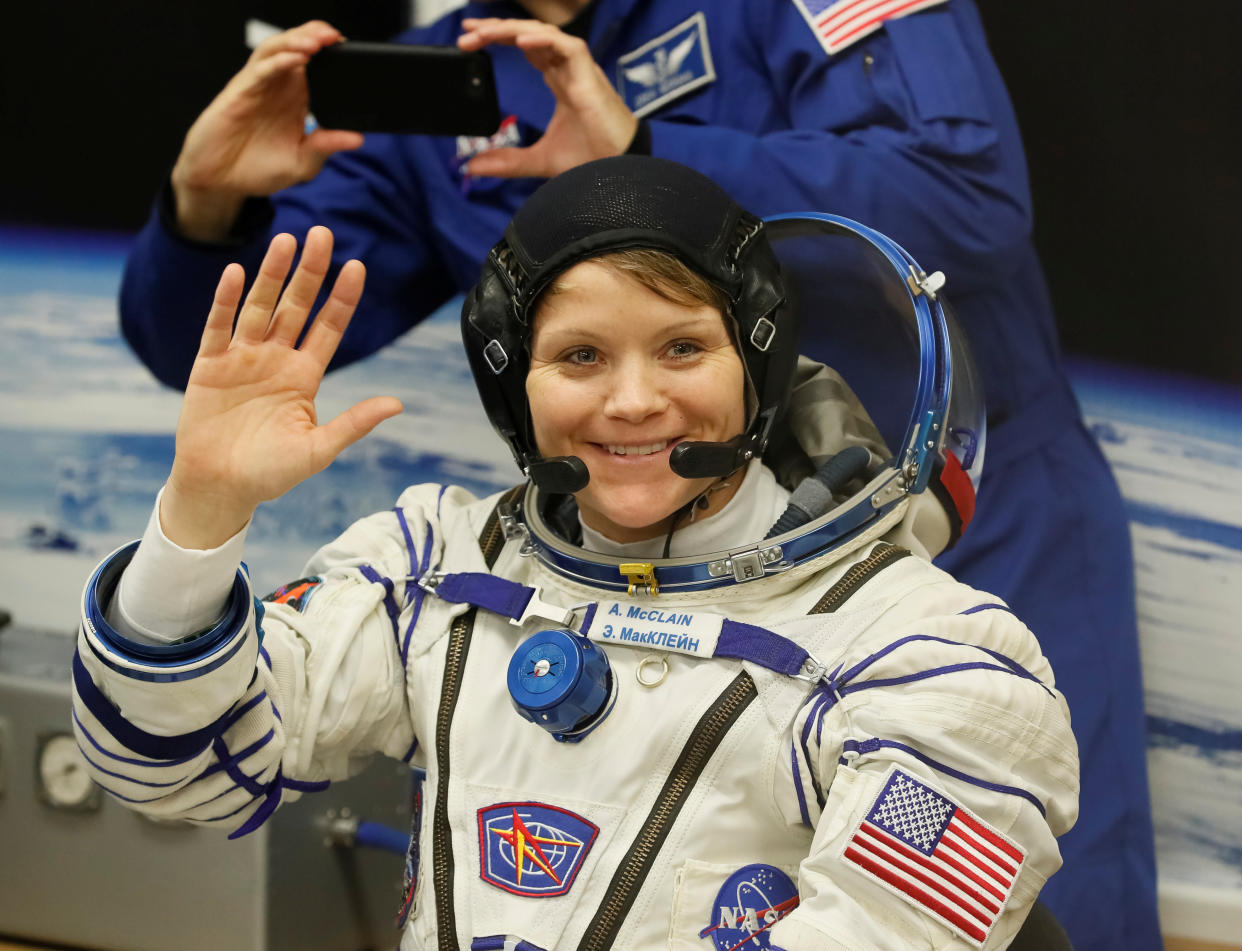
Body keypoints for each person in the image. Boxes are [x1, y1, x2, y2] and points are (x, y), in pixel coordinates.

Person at [117, 3, 1156, 947]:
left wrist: (646, 153)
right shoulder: (456, 84)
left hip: (953, 526)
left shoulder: (951, 658)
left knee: (1038, 906)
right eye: (579, 359)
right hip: (620, 562)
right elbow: (231, 352)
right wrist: (205, 207)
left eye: (678, 349)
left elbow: (970, 199)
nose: (629, 397)